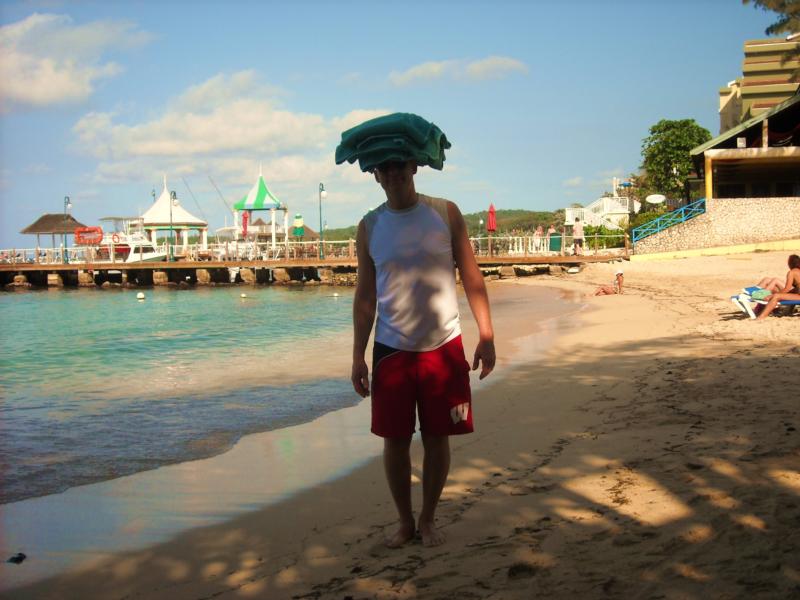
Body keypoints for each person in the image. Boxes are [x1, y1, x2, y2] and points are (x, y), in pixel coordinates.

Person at [338, 113, 496, 548]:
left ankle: (428, 519)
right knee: (394, 441)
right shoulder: (369, 227)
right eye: (383, 167)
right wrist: (357, 354)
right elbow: (365, 296)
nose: (392, 174)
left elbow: (472, 276)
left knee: (438, 437)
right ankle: (404, 522)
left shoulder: (445, 213)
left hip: (443, 347)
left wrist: (486, 335)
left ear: (414, 166)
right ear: (374, 174)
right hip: (391, 349)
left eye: (399, 165)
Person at [755, 254, 800, 320]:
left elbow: (787, 289)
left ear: (790, 263)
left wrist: (773, 295)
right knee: (776, 295)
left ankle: (761, 317)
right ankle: (786, 311)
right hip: (798, 295)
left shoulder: (792, 272)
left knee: (776, 296)